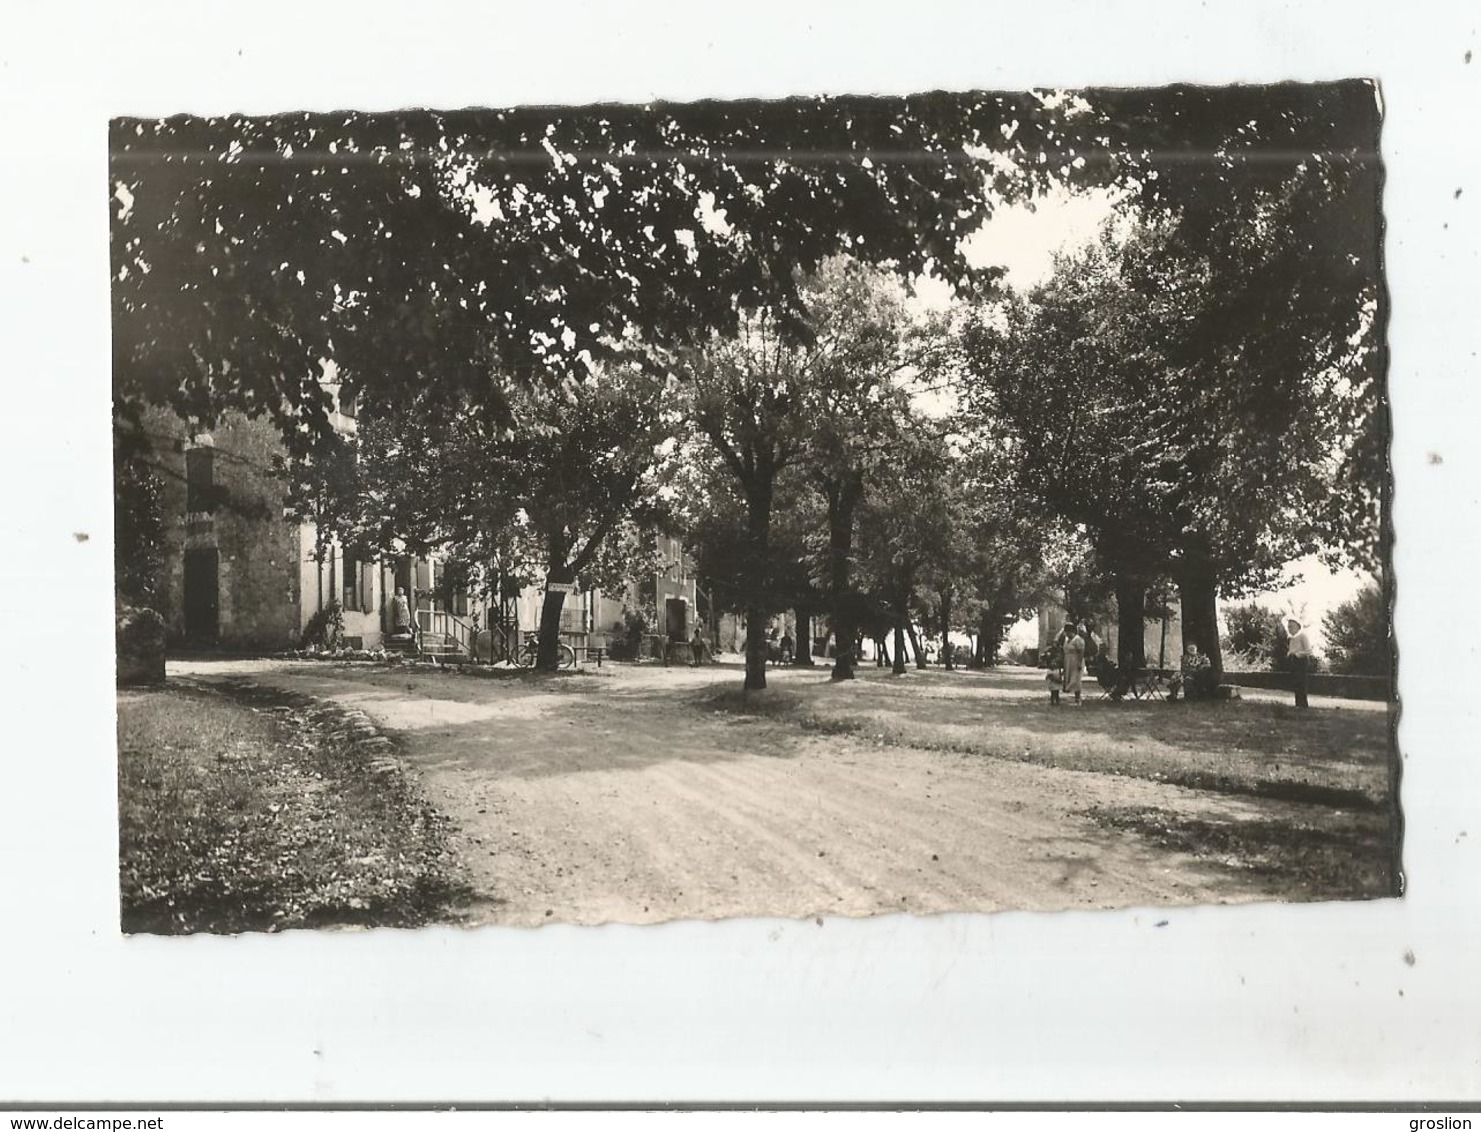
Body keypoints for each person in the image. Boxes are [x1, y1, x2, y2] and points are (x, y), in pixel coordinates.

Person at [1286, 617, 1314, 708]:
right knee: (1296, 683)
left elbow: (1309, 651)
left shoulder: (1302, 636)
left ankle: (1303, 704)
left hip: (1301, 661)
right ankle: (1298, 704)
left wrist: (1297, 654)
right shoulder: (1291, 638)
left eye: (1292, 626)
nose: (1290, 629)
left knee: (1301, 683)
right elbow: (1291, 650)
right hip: (1293, 661)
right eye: (1289, 627)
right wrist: (1290, 654)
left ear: (1298, 627)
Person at [1062, 622, 1086, 704]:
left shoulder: (1078, 639)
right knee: (1069, 678)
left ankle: (1078, 698)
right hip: (1068, 661)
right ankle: (1073, 696)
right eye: (1066, 632)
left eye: (1068, 632)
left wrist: (1079, 663)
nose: (1067, 634)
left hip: (1076, 660)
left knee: (1076, 679)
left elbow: (1081, 652)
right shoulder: (1066, 640)